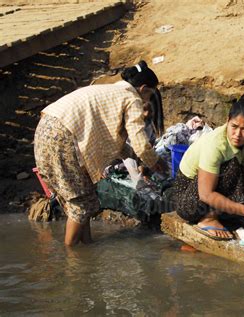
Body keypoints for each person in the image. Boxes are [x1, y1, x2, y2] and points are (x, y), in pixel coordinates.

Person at [34, 60, 165, 246]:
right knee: (80, 202)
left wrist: (138, 159)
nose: (147, 100)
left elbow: (121, 144)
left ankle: (87, 244)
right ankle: (73, 260)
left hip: (46, 129)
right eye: (150, 94)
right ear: (143, 88)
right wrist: (154, 161)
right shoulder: (132, 98)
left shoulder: (111, 91)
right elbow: (140, 143)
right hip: (62, 137)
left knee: (86, 193)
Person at [174, 92, 244, 240]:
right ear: (227, 121)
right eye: (234, 126)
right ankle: (208, 218)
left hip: (209, 194)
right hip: (189, 200)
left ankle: (220, 213)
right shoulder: (216, 144)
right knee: (232, 166)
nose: (237, 134)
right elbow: (205, 194)